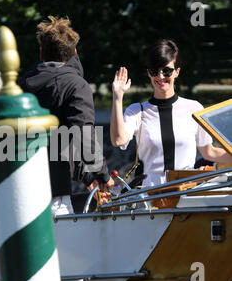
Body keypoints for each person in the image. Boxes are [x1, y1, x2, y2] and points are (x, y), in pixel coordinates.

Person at [19, 16, 114, 215]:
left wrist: (89, 178)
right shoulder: (75, 85)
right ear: (74, 54)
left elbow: (56, 144)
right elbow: (84, 137)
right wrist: (103, 176)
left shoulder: (22, 86)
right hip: (54, 195)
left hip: (19, 190)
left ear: (41, 53)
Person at [110, 39, 232, 187]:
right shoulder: (137, 111)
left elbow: (209, 152)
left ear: (177, 72)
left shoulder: (194, 109)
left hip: (185, 193)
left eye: (167, 71)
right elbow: (118, 140)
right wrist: (117, 97)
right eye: (154, 71)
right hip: (148, 196)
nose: (160, 76)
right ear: (149, 73)